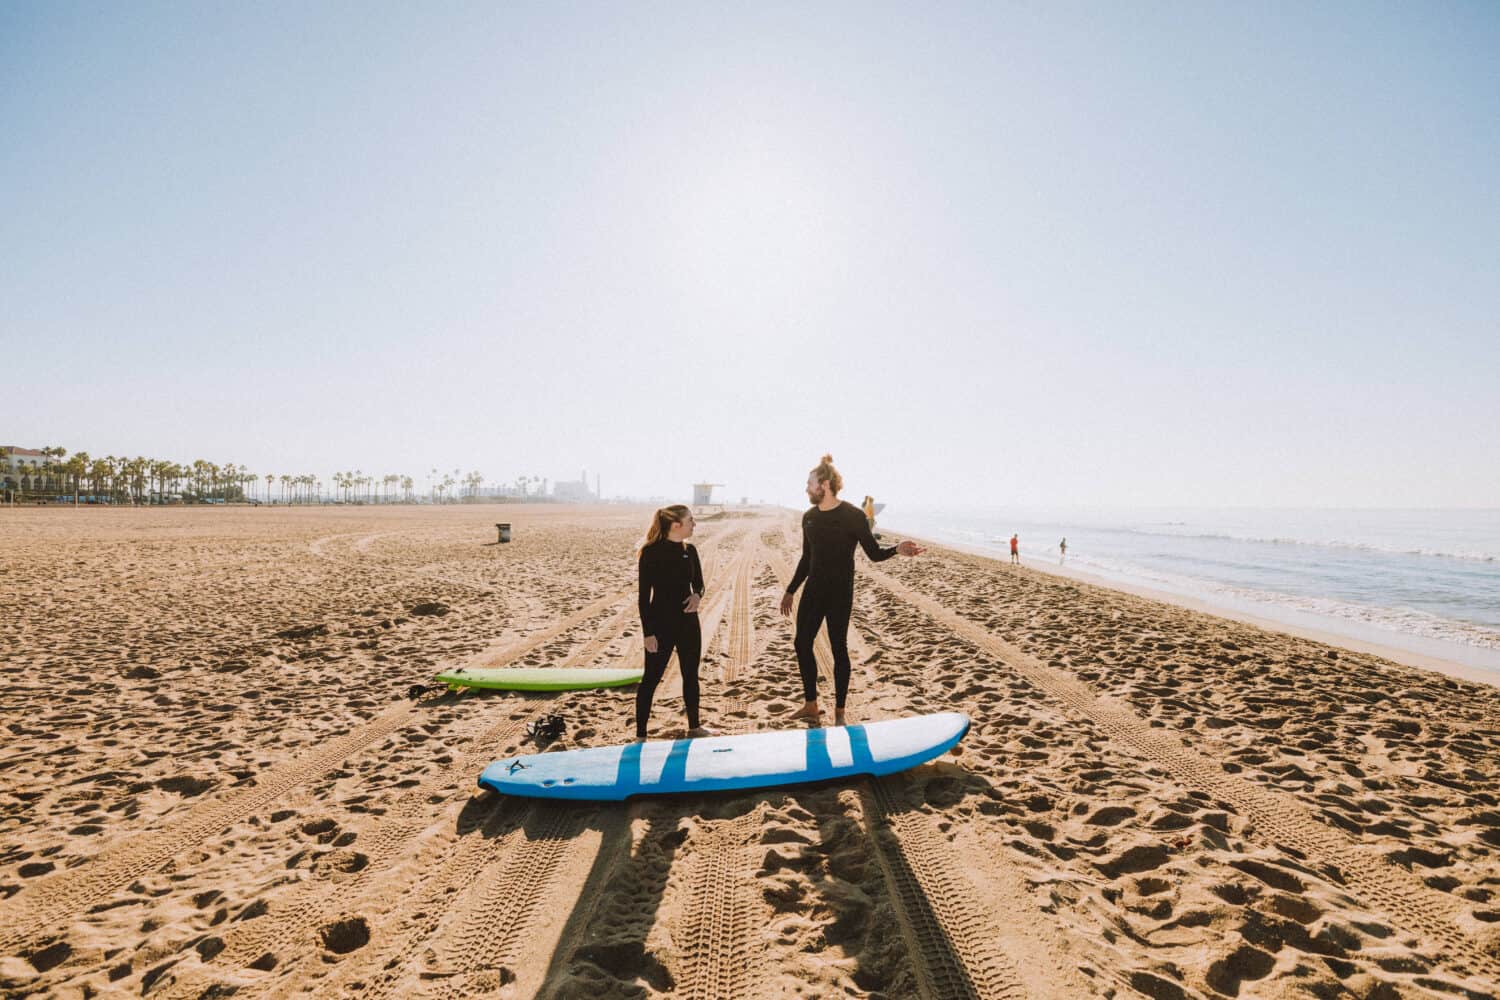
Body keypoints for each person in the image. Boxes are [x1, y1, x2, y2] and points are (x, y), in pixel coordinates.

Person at [779, 455, 923, 726]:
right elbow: (806, 559)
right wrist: (791, 590)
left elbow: (875, 554)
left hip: (839, 593)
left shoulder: (853, 516)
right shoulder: (809, 517)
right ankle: (811, 704)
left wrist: (897, 549)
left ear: (824, 484)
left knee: (838, 648)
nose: (806, 489)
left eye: (809, 484)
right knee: (801, 643)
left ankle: (840, 713)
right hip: (813, 590)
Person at [636, 505, 714, 740]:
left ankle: (694, 727)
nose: (695, 524)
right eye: (691, 520)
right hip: (660, 627)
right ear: (676, 525)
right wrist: (648, 633)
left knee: (690, 675)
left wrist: (697, 595)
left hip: (689, 623)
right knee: (650, 679)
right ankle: (640, 735)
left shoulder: (690, 550)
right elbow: (643, 598)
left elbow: (699, 583)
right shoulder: (650, 553)